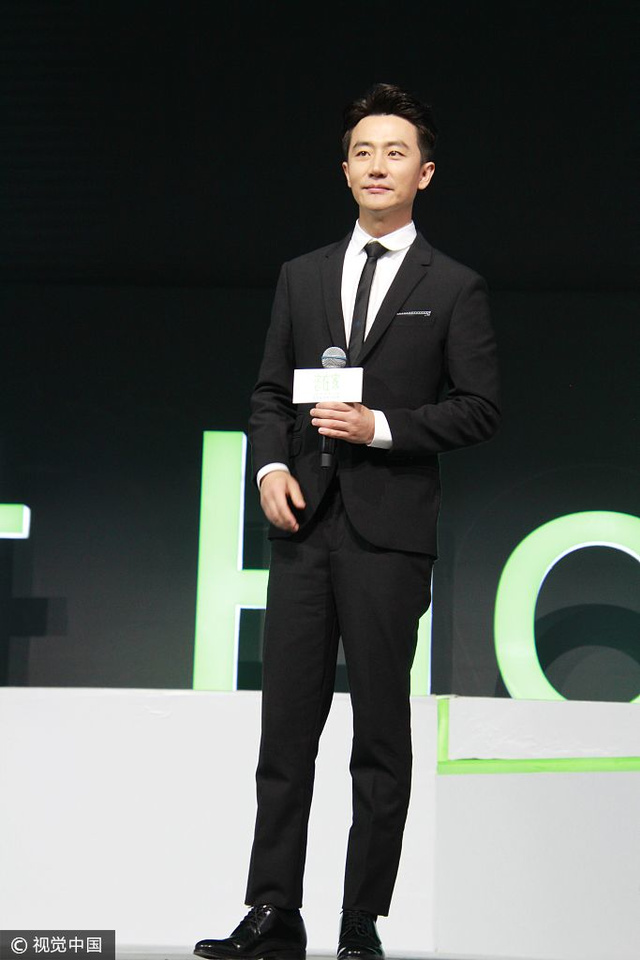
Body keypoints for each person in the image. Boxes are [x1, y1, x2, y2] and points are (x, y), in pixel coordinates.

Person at [194, 82, 500, 960]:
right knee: (285, 731)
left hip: (388, 535)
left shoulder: (455, 286)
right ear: (344, 169)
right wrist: (270, 467)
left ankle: (359, 919)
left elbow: (480, 407)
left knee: (379, 735)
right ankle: (272, 911)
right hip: (303, 530)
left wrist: (382, 427)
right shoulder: (302, 275)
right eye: (363, 152)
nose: (377, 165)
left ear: (425, 173)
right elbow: (268, 394)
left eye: (395, 152)